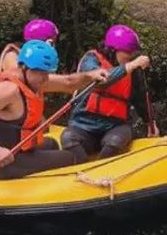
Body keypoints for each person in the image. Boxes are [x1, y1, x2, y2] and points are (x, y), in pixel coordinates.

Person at [0, 40, 109, 180]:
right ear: (24, 67)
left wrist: (90, 75)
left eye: (47, 72)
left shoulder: (35, 80)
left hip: (20, 148)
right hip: (1, 162)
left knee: (51, 144)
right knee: (70, 158)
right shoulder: (9, 89)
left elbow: (68, 83)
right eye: (40, 72)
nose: (45, 78)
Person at [61, 24, 156, 162]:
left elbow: (140, 98)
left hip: (115, 126)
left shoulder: (132, 69)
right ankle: (83, 172)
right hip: (83, 125)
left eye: (133, 53)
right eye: (128, 52)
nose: (131, 56)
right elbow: (102, 81)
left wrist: (150, 122)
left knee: (114, 142)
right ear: (113, 50)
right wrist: (132, 65)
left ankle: (102, 169)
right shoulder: (91, 60)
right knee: (68, 139)